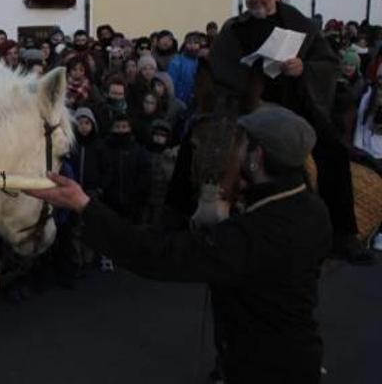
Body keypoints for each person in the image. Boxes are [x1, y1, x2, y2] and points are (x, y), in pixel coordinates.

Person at [28, 105, 330, 383]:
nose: (233, 154)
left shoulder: (253, 233)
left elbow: (158, 255)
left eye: (240, 145)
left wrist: (83, 204)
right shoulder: (311, 208)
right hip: (298, 355)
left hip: (263, 369)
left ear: (257, 157)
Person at [209, 0, 371, 264]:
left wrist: (302, 68)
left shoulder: (299, 23)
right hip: (252, 106)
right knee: (208, 149)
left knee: (333, 153)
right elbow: (218, 66)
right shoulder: (234, 29)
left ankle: (344, 234)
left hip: (299, 104)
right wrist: (249, 73)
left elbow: (327, 62)